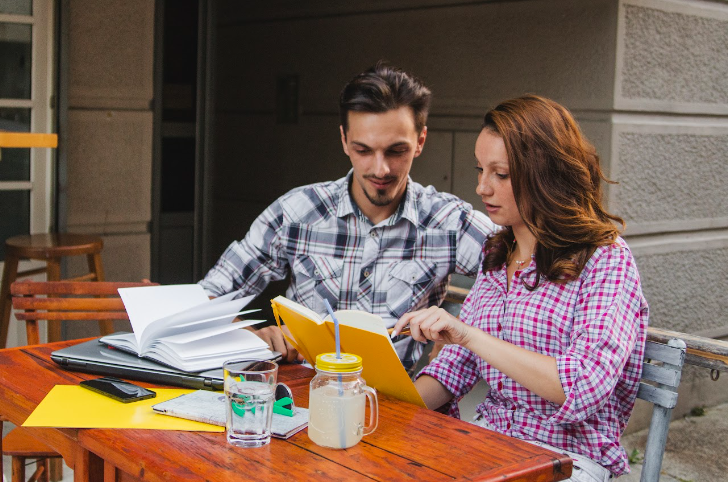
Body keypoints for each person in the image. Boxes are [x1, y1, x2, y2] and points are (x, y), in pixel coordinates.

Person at [393, 95, 648, 481]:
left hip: (567, 458)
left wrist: (470, 336)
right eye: (480, 170)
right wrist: (384, 405)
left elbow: (582, 384)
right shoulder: (497, 253)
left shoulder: (605, 258)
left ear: (546, 173)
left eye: (502, 174)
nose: (482, 187)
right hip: (490, 443)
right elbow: (455, 367)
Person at [199, 62, 495, 366]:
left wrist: (459, 342)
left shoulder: (449, 222)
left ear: (420, 141)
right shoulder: (297, 211)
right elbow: (208, 298)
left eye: (396, 151)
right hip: (303, 401)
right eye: (363, 150)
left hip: (396, 406)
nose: (380, 169)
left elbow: (532, 283)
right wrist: (251, 336)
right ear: (344, 140)